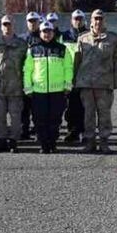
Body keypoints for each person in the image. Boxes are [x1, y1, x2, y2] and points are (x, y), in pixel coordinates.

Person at [72, 10, 117, 152]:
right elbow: (77, 61)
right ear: (91, 20)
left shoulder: (113, 39)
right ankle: (90, 141)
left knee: (104, 114)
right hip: (86, 84)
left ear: (104, 20)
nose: (98, 21)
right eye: (95, 18)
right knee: (88, 114)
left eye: (101, 19)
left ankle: (104, 141)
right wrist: (75, 80)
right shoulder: (83, 38)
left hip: (104, 84)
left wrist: (116, 81)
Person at [24, 19, 74, 154]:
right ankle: (43, 144)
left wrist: (67, 85)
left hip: (57, 91)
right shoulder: (33, 49)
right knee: (39, 119)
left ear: (53, 33)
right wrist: (28, 88)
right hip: (38, 91)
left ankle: (53, 143)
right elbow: (27, 70)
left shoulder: (62, 49)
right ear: (40, 33)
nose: (46, 34)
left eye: (49, 31)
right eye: (44, 31)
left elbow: (68, 68)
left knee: (55, 119)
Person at [0, 15, 27, 153]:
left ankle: (14, 141)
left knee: (16, 117)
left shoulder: (22, 44)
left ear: (13, 25)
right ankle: (1, 140)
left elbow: (26, 65)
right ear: (1, 26)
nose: (7, 27)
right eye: (4, 24)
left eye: (9, 24)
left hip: (16, 87)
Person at [64, 9, 89, 142]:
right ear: (71, 20)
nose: (78, 21)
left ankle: (85, 133)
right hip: (70, 77)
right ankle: (72, 131)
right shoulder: (65, 36)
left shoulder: (89, 35)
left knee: (86, 107)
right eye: (75, 19)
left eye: (80, 19)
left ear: (84, 20)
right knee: (71, 107)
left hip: (85, 77)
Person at [19, 11, 42, 140]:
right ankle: (24, 130)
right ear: (27, 23)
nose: (32, 23)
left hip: (38, 78)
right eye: (30, 21)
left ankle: (38, 131)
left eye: (35, 21)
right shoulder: (21, 39)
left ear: (39, 22)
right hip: (24, 78)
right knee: (24, 107)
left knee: (38, 108)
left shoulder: (44, 37)